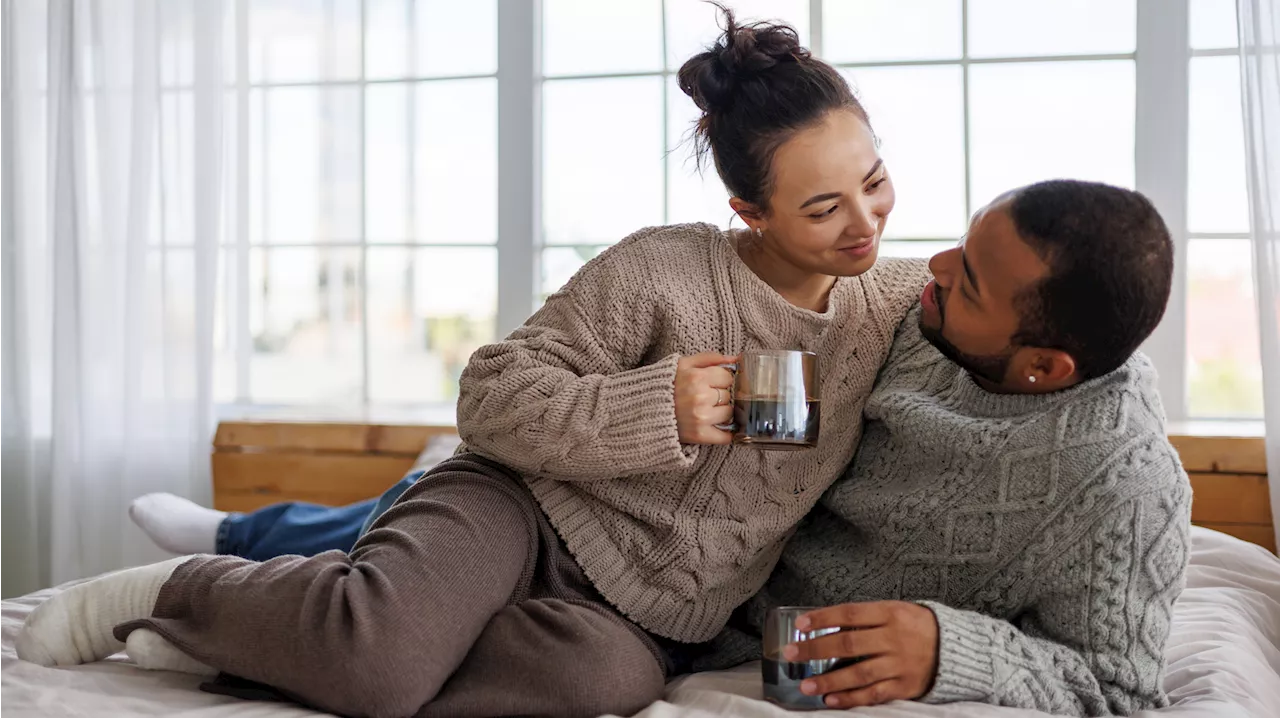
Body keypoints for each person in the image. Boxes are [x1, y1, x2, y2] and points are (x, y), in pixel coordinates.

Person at [17, 10, 932, 717]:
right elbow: (488, 396)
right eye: (823, 208)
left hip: (645, 617)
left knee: (584, 690)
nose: (865, 223)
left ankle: (250, 642)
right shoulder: (664, 268)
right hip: (518, 508)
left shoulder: (893, 302)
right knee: (380, 664)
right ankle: (181, 589)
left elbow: (1022, 274)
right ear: (750, 208)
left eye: (875, 181)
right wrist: (656, 408)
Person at [697, 180, 1192, 717]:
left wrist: (952, 650)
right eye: (963, 240)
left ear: (1043, 367)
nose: (936, 264)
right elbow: (767, 394)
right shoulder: (912, 308)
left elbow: (1119, 694)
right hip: (690, 577)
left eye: (971, 283)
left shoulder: (1128, 491)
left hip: (763, 648)